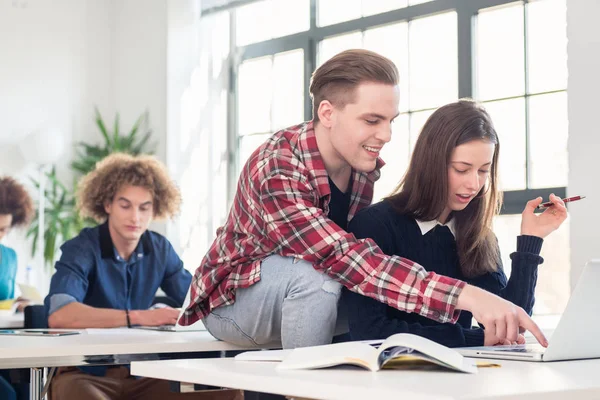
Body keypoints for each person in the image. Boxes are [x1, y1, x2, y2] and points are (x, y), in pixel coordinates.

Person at [179, 49, 548, 349]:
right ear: (327, 113)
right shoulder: (277, 167)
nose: (385, 134)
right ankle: (307, 389)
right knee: (317, 277)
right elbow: (341, 257)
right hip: (235, 303)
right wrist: (465, 296)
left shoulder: (360, 166)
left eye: (390, 120)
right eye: (372, 120)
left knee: (371, 307)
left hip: (313, 295)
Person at [343, 99, 567, 347]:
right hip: (395, 376)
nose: (474, 184)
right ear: (431, 164)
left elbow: (512, 323)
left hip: (463, 376)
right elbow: (369, 331)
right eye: (462, 169)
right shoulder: (375, 225)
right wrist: (474, 339)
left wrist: (530, 241)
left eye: (483, 171)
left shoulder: (477, 235)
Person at [45, 153, 242, 400]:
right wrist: (141, 317)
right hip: (84, 374)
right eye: (125, 205)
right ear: (108, 205)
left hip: (143, 374)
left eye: (144, 207)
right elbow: (60, 315)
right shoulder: (82, 248)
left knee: (230, 394)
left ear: (155, 209)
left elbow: (198, 298)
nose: (135, 217)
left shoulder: (159, 249)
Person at [0, 177, 34, 400]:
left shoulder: (9, 257)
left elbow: (6, 299)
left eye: (3, 229)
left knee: (27, 389)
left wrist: (17, 303)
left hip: (7, 341)